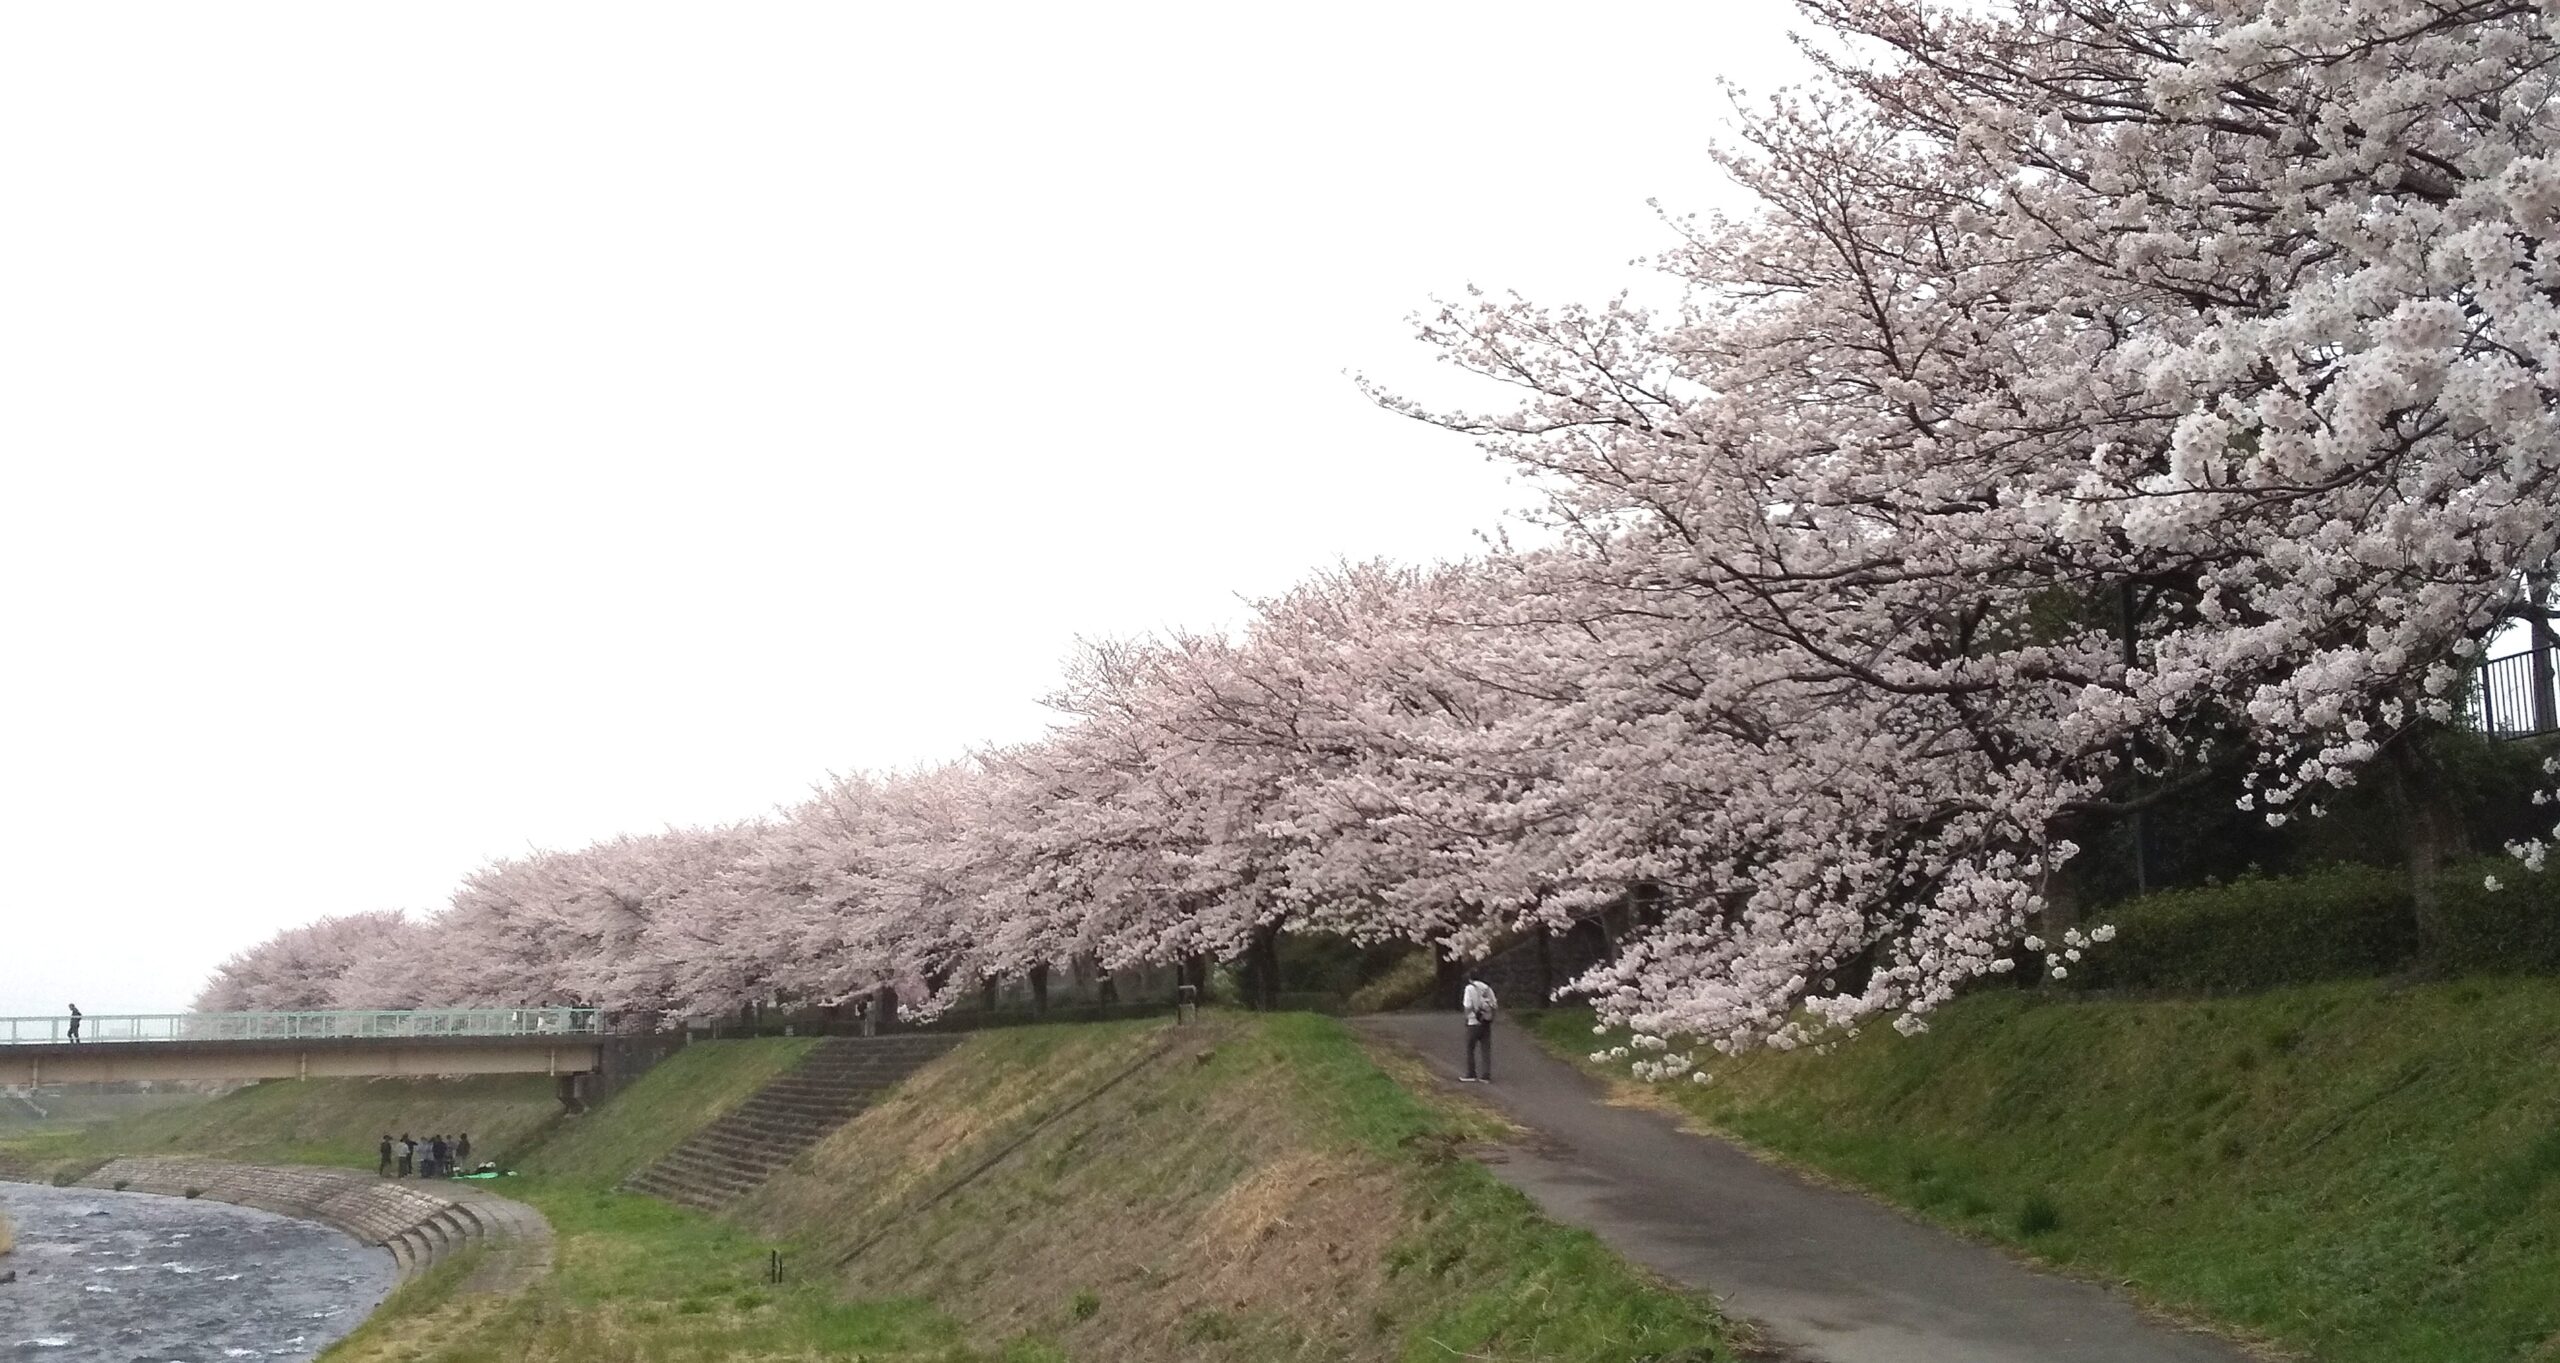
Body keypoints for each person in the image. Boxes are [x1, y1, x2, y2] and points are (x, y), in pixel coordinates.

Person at [1460, 973, 1497, 1082]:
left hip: (1473, 1022)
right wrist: (1491, 1018)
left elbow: (1468, 1006)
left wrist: (1467, 1018)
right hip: (1486, 1021)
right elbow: (1494, 1005)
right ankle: (1486, 1075)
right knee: (1486, 1049)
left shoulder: (1469, 988)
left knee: (1470, 1048)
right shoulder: (1487, 989)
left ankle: (1471, 1073)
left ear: (1470, 979)